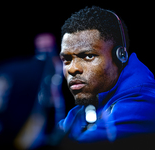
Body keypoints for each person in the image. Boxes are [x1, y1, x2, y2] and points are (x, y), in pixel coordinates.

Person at [58, 6, 155, 148]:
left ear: (120, 56)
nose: (72, 69)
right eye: (67, 59)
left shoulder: (144, 102)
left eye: (88, 56)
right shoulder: (86, 106)